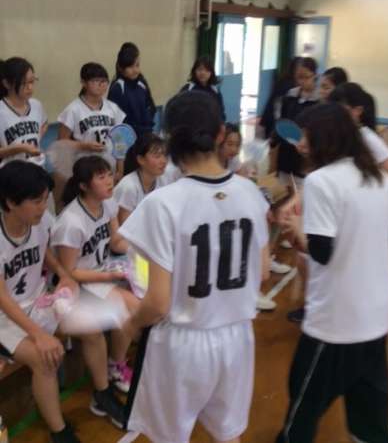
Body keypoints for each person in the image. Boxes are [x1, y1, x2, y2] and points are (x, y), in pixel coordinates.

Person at [120, 91, 270, 443]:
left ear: (169, 138)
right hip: (237, 338)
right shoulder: (250, 193)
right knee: (228, 435)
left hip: (181, 344)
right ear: (220, 133)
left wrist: (131, 323)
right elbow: (262, 272)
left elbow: (157, 302)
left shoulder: (162, 203)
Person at [275, 102, 388, 443]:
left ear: (326, 138)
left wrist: (298, 231)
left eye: (306, 137)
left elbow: (322, 251)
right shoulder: (376, 176)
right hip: (375, 321)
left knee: (300, 417)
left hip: (334, 326)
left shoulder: (321, 182)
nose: (300, 144)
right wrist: (358, 234)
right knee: (370, 425)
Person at [0, 161, 80, 443]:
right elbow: (3, 298)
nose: (44, 207)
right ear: (10, 202)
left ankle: (105, 387)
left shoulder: (41, 221)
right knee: (43, 359)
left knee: (89, 321)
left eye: (46, 199)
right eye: (37, 201)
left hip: (36, 301)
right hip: (5, 317)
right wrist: (38, 335)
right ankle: (59, 431)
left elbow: (44, 252)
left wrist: (63, 275)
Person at [51, 156, 141, 397]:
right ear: (83, 185)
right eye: (101, 177)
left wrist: (140, 249)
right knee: (132, 308)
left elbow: (116, 242)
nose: (110, 181)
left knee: (148, 287)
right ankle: (116, 367)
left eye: (110, 174)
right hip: (82, 282)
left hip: (105, 269)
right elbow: (69, 272)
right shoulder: (71, 223)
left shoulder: (107, 203)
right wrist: (110, 275)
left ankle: (118, 362)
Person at [330, 82, 388, 190]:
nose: (333, 116)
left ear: (357, 111)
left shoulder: (367, 137)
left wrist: (358, 189)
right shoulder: (337, 135)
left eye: (340, 110)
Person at [57, 62, 126, 180]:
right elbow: (61, 143)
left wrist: (120, 170)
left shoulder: (113, 108)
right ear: (84, 83)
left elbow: (120, 141)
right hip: (86, 170)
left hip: (110, 168)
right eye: (95, 81)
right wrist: (83, 145)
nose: (101, 85)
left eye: (104, 81)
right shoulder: (73, 109)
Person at [273, 57, 319, 181]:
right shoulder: (290, 95)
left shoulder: (319, 101)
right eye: (299, 77)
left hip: (305, 156)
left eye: (306, 77)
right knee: (284, 186)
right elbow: (282, 120)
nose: (302, 81)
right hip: (286, 152)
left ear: (315, 75)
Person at [0, 57, 47, 167]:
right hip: (11, 171)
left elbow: (45, 123)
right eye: (23, 83)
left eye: (32, 81)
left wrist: (37, 136)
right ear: (7, 84)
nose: (30, 87)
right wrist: (20, 148)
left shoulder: (36, 105)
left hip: (38, 167)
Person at [114, 133, 168, 225]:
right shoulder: (129, 187)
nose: (164, 161)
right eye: (157, 156)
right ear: (140, 159)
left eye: (165, 155)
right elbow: (124, 227)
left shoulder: (163, 180)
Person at [108, 42, 156, 137]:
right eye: (130, 66)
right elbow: (115, 120)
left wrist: (148, 126)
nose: (135, 70)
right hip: (127, 137)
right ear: (121, 68)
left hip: (146, 134)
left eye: (137, 65)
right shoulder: (117, 88)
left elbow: (150, 107)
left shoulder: (141, 84)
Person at [260, 56, 302, 139]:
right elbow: (278, 105)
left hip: (273, 120)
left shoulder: (285, 80)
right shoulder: (288, 85)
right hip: (274, 121)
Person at [180, 56, 226, 121]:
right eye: (200, 69)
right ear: (194, 71)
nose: (203, 73)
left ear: (211, 73)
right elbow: (179, 109)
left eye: (207, 70)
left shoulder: (215, 91)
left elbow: (221, 113)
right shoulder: (187, 89)